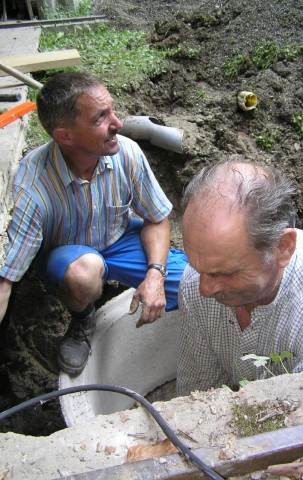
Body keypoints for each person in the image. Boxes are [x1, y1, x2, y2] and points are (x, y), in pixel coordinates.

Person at [0, 71, 187, 375]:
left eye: (111, 110)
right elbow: (5, 282)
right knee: (84, 272)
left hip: (119, 240)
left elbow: (157, 219)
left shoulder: (126, 152)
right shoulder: (33, 187)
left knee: (195, 283)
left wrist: (155, 275)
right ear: (65, 136)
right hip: (68, 259)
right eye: (101, 117)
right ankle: (82, 318)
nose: (118, 123)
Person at [177, 159, 303, 396]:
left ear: (283, 247)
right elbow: (196, 392)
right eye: (197, 266)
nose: (205, 288)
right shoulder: (196, 279)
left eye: (226, 273)